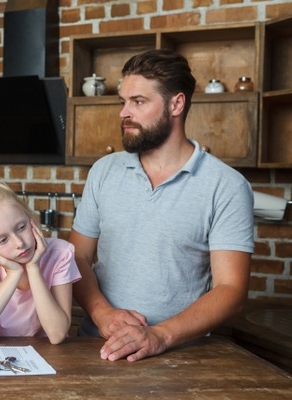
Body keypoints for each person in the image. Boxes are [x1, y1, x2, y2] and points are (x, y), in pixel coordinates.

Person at [69, 49, 254, 362]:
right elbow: (77, 258)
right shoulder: (104, 171)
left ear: (176, 104)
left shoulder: (226, 186)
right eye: (123, 101)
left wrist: (159, 335)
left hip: (179, 357)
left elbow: (231, 290)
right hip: (97, 348)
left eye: (138, 102)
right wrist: (103, 316)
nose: (124, 113)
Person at [0, 182, 81, 345]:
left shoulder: (61, 253)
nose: (19, 243)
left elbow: (57, 334)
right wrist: (13, 274)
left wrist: (33, 267)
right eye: (3, 240)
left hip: (46, 354)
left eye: (21, 227)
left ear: (29, 218)